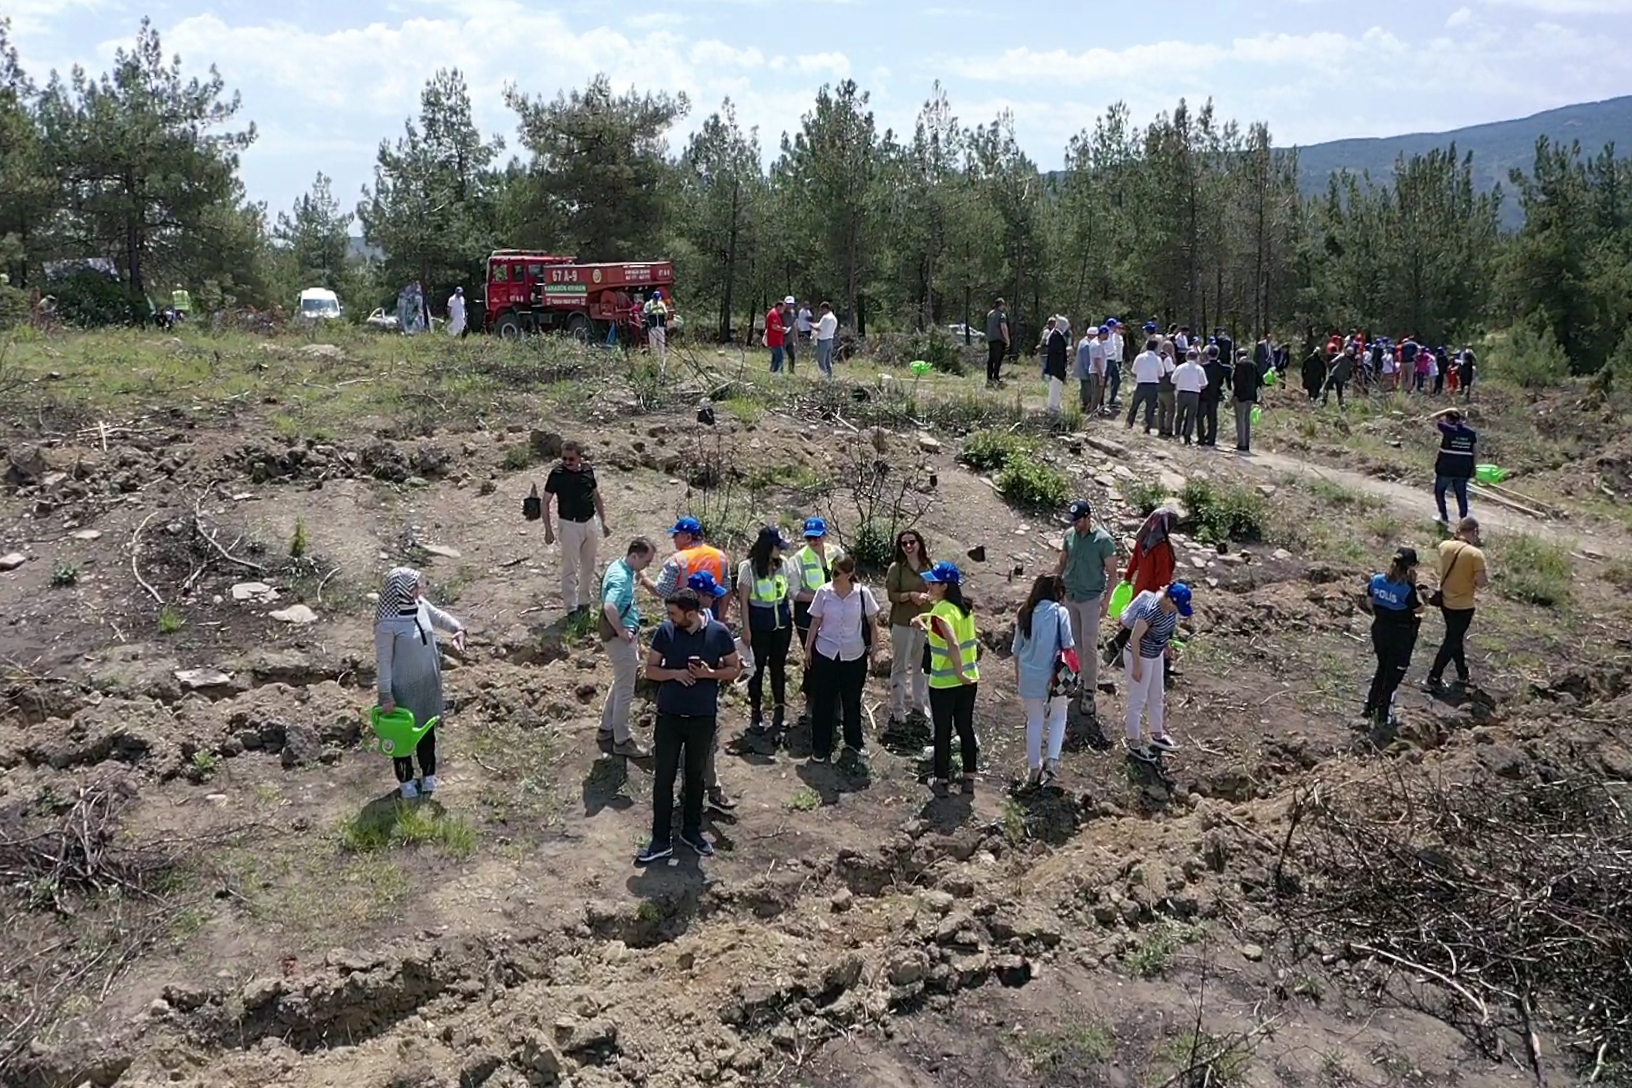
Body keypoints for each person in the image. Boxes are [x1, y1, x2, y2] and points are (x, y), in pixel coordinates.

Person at [637, 590, 742, 864]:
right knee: (663, 778)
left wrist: (710, 674)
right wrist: (675, 673)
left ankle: (691, 832)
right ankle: (660, 839)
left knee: (695, 778)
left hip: (702, 717)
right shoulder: (666, 631)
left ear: (691, 613)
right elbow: (650, 669)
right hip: (669, 716)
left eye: (674, 613)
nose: (669, 618)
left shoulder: (718, 633)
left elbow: (734, 669)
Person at [374, 567, 466, 799]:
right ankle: (405, 783)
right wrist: (385, 693)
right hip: (402, 690)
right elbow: (383, 661)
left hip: (427, 684)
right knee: (401, 739)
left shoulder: (420, 605)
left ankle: (428, 777)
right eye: (414, 586)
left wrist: (458, 629)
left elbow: (440, 618)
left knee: (427, 733)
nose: (419, 590)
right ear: (402, 590)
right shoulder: (387, 624)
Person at [804, 555, 881, 764]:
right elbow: (815, 622)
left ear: (849, 574)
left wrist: (875, 651)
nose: (833, 576)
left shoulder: (863, 594)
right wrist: (808, 649)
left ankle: (854, 742)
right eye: (831, 571)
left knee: (851, 700)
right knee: (823, 701)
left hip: (853, 654)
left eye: (837, 573)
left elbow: (872, 624)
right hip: (826, 652)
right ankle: (820, 747)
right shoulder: (823, 592)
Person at [914, 562, 979, 796]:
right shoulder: (964, 608)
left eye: (933, 582)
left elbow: (951, 641)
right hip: (969, 681)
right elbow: (941, 630)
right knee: (965, 727)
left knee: (942, 731)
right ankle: (969, 777)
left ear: (944, 586)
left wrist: (958, 671)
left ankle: (941, 780)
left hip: (945, 682)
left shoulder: (942, 611)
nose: (928, 585)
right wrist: (923, 621)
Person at [1056, 499, 1117, 716]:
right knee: (1074, 643)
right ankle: (1079, 678)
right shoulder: (1069, 536)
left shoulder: (1103, 541)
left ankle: (1089, 688)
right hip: (1070, 596)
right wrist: (1053, 584)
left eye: (1078, 521)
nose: (1075, 525)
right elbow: (1062, 562)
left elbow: (1113, 574)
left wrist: (1106, 600)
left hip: (1091, 599)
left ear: (1088, 517)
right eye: (1073, 521)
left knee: (1090, 645)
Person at [599, 538, 659, 758]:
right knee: (625, 691)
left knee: (620, 683)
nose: (647, 566)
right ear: (635, 556)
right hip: (620, 641)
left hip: (621, 639)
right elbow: (609, 606)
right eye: (646, 561)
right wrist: (623, 631)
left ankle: (606, 729)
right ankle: (622, 740)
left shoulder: (620, 568)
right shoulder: (620, 577)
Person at [1012, 575, 1074, 786]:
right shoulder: (1060, 613)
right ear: (1058, 592)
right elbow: (1068, 644)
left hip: (1029, 674)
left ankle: (1033, 768)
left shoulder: (1024, 612)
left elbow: (1016, 650)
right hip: (1054, 676)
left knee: (1034, 721)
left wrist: (1018, 676)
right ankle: (1051, 763)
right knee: (1058, 717)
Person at [737, 526, 797, 736]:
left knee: (778, 667)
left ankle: (779, 713)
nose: (781, 551)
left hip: (781, 626)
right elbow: (744, 601)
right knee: (758, 669)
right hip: (759, 627)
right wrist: (746, 628)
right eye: (777, 547)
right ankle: (756, 714)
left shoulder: (784, 565)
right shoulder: (748, 567)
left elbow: (787, 593)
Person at [1122, 583, 1191, 763]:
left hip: (1156, 654)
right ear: (1169, 599)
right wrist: (1137, 666)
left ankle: (1157, 734)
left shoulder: (1171, 609)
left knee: (1156, 695)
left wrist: (1166, 645)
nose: (1178, 610)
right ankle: (1134, 742)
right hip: (1139, 655)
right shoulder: (1150, 609)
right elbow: (1135, 638)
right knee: (1137, 700)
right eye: (1177, 606)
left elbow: (1166, 629)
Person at [542, 441, 610, 617]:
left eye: (571, 458)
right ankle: (571, 607)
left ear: (580, 457)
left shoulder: (588, 470)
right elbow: (545, 501)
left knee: (589, 565)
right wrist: (548, 529)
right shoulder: (557, 474)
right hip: (569, 524)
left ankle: (584, 602)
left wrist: (603, 522)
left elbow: (596, 496)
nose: (567, 462)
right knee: (569, 567)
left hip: (589, 522)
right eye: (564, 458)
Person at [1362, 546, 1424, 729]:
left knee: (1382, 666)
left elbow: (1369, 600)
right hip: (1400, 634)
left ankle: (1370, 705)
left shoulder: (1377, 580)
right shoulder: (1406, 589)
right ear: (1410, 567)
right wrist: (1418, 590)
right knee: (1395, 672)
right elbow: (1419, 609)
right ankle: (1384, 712)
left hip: (1379, 629)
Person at [1425, 517, 1488, 694]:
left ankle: (1462, 673)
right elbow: (1482, 582)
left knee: (1454, 637)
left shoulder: (1444, 546)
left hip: (1446, 601)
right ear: (1474, 532)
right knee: (1451, 640)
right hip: (1463, 605)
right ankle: (1434, 676)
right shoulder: (1476, 555)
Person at [791, 517, 842, 720]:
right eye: (809, 538)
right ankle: (811, 700)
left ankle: (835, 703)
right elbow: (794, 592)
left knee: (835, 657)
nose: (813, 541)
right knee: (811, 657)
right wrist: (822, 597)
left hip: (835, 613)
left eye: (817, 537)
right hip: (808, 614)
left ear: (824, 535)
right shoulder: (799, 559)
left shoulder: (835, 553)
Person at [883, 528, 933, 729]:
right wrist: (910, 595)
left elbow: (936, 588)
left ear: (919, 543)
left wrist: (928, 598)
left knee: (921, 667)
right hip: (903, 622)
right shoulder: (896, 568)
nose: (909, 546)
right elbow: (891, 596)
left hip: (924, 624)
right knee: (900, 666)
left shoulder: (928, 565)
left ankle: (919, 704)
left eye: (912, 542)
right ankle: (897, 708)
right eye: (904, 543)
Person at [653, 516, 731, 621]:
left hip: (683, 615)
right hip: (712, 612)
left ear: (688, 537)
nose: (673, 538)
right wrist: (721, 616)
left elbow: (662, 591)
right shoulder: (720, 556)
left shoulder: (677, 560)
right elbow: (726, 590)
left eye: (676, 535)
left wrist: (643, 579)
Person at [1431, 406, 1477, 524]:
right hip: (1464, 469)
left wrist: (1447, 410)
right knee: (1461, 495)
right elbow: (1475, 452)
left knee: (1439, 492)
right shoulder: (1471, 433)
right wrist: (1474, 467)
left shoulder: (1448, 429)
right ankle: (1463, 520)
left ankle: (1444, 517)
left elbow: (1432, 418)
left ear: (1448, 419)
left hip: (1446, 468)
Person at [1125, 508, 1178, 598]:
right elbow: (1162, 577)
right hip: (1152, 594)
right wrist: (1166, 593)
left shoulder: (1142, 538)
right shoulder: (1161, 548)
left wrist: (1127, 578)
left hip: (1139, 588)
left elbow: (1134, 562)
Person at [1125, 337, 1165, 433]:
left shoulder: (1139, 357)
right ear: (1156, 347)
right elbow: (1161, 374)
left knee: (1135, 405)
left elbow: (1133, 371)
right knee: (1150, 407)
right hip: (1153, 385)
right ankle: (1147, 427)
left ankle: (1129, 423)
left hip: (1141, 384)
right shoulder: (1158, 359)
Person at [1172, 349, 1207, 445]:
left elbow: (1173, 380)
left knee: (1179, 414)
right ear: (1196, 358)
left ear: (1187, 357)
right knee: (1191, 416)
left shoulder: (1180, 367)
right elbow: (1204, 384)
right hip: (1194, 394)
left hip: (1182, 392)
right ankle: (1187, 436)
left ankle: (1177, 434)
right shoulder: (1199, 369)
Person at [1231, 348, 1262, 453]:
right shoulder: (1254, 365)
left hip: (1241, 397)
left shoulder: (1239, 365)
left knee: (1240, 420)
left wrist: (1235, 395)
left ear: (1237, 356)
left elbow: (1237, 381)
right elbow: (1259, 381)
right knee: (1247, 420)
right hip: (1251, 396)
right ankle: (1247, 443)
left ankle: (1241, 444)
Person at [1199, 344, 1228, 447]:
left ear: (1207, 354)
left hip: (1203, 394)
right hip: (1215, 394)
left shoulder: (1203, 367)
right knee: (1212, 418)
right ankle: (1211, 439)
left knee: (1200, 417)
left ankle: (1201, 438)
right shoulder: (1222, 368)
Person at [1042, 317, 1069, 416]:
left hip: (1057, 366)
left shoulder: (1056, 335)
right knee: (1054, 387)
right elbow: (1057, 353)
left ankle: (1055, 405)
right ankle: (1052, 407)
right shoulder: (1056, 336)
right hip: (1055, 366)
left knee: (1057, 387)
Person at [984, 297, 1010, 386]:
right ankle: (996, 377)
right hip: (999, 339)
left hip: (991, 339)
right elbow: (1003, 327)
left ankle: (989, 377)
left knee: (991, 359)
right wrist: (1007, 339)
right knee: (998, 359)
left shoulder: (990, 314)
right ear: (1001, 305)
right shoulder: (1001, 315)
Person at [1155, 340, 1178, 438]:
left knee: (1161, 410)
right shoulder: (1167, 359)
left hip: (1159, 387)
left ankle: (1160, 429)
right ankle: (1168, 430)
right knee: (1170, 410)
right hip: (1167, 388)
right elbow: (1170, 373)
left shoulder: (1157, 357)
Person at [1322, 345, 1355, 409]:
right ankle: (1341, 405)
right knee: (1339, 391)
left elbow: (1332, 362)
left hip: (1334, 374)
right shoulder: (1352, 362)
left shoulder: (1342, 356)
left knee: (1326, 387)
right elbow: (1351, 372)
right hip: (1342, 378)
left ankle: (1324, 401)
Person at [643, 289, 670, 363]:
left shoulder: (661, 304)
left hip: (660, 326)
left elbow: (666, 313)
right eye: (656, 299)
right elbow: (645, 314)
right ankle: (654, 359)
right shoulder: (648, 304)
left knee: (661, 343)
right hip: (652, 327)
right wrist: (651, 311)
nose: (657, 300)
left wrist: (665, 319)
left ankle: (662, 359)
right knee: (653, 344)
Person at [814, 302, 839, 379]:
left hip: (823, 340)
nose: (821, 312)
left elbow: (819, 328)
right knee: (828, 361)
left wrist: (812, 325)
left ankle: (824, 377)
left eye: (821, 309)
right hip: (830, 340)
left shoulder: (825, 318)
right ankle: (830, 377)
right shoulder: (834, 318)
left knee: (821, 361)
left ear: (825, 309)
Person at [1104, 319, 1124, 410]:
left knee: (1117, 380)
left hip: (1113, 360)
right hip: (1107, 360)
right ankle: (1100, 403)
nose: (1116, 328)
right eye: (1115, 326)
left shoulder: (1113, 335)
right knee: (1104, 382)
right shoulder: (1106, 335)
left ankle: (1112, 400)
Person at [765, 300, 787, 373]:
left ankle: (772, 372)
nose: (783, 311)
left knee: (774, 358)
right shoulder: (773, 314)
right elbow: (774, 326)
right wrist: (782, 329)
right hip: (775, 341)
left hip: (776, 340)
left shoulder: (776, 314)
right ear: (779, 307)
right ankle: (777, 373)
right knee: (779, 358)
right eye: (783, 308)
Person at [781, 298, 799, 372]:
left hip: (790, 338)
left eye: (791, 304)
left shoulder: (793, 313)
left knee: (792, 356)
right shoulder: (781, 313)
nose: (790, 306)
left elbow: (794, 326)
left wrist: (796, 338)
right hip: (781, 337)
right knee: (780, 355)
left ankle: (791, 371)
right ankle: (779, 370)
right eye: (788, 304)